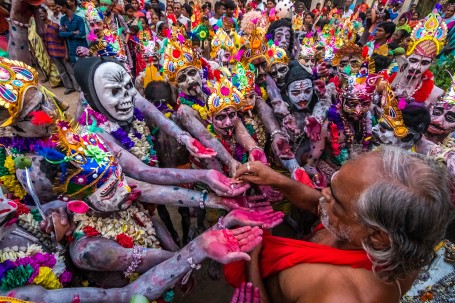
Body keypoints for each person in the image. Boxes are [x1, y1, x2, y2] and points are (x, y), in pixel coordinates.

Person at [226, 146, 453, 302]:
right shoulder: (402, 237)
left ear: (376, 236)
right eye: (332, 186)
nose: (323, 194)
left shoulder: (337, 296)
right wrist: (276, 180)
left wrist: (252, 257)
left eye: (336, 200)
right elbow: (325, 206)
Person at [38, 6, 80, 94]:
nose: (40, 15)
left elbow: (64, 39)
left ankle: (78, 87)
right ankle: (69, 87)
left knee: (70, 71)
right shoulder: (42, 28)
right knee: (62, 72)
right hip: (52, 53)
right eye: (39, 14)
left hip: (62, 51)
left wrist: (66, 53)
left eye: (41, 13)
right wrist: (47, 54)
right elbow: (44, 42)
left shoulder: (56, 25)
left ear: (46, 13)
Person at [56, 0, 88, 64]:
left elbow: (82, 34)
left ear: (64, 6)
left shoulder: (78, 19)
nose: (58, 10)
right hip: (71, 51)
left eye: (59, 7)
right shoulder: (63, 19)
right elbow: (60, 34)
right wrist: (73, 32)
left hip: (82, 49)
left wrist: (67, 34)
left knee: (85, 67)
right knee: (76, 70)